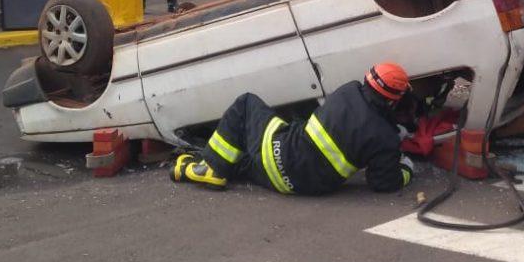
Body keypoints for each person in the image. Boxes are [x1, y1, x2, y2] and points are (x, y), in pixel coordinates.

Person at [172, 63, 416, 194]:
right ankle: (204, 167)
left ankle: (211, 166)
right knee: (249, 158)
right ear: (393, 100)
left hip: (279, 157)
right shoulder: (385, 138)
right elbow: (384, 183)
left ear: (368, 80)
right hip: (303, 186)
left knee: (246, 103)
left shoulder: (348, 90)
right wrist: (405, 168)